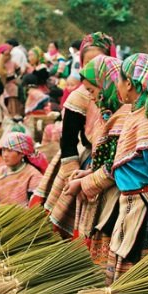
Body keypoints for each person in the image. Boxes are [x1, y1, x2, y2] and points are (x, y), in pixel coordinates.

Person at [32, 32, 116, 235]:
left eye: (99, 61)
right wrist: (73, 176)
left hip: (113, 163)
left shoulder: (120, 93)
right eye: (88, 63)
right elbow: (68, 141)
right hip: (84, 160)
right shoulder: (79, 97)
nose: (93, 68)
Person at [103, 53, 148, 280]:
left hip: (147, 210)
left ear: (129, 83)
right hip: (134, 204)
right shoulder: (137, 116)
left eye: (119, 79)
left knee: (144, 275)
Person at [64, 55, 129, 274]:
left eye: (93, 91)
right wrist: (87, 173)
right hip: (105, 194)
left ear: (108, 84)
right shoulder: (111, 115)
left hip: (120, 202)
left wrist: (85, 183)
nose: (92, 98)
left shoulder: (125, 118)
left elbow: (116, 165)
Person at [0, 132, 44, 207]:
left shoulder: (33, 176)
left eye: (10, 151)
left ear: (22, 153)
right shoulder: (1, 171)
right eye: (3, 150)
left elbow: (33, 207)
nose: (5, 155)